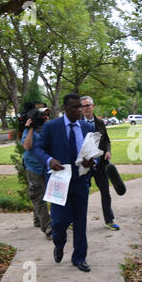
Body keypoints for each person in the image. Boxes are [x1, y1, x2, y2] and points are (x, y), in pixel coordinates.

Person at [34, 93, 95, 272]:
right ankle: (59, 244)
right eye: (75, 107)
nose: (80, 110)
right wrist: (49, 160)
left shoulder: (86, 127)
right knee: (60, 221)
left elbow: (92, 153)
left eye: (81, 107)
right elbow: (38, 149)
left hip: (80, 181)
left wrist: (92, 162)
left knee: (80, 222)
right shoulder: (52, 127)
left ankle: (79, 258)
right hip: (59, 182)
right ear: (65, 108)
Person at [80, 96, 119, 231]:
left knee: (105, 193)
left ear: (93, 106)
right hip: (83, 165)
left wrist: (108, 151)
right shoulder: (77, 123)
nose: (85, 108)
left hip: (100, 164)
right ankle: (75, 221)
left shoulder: (100, 123)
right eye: (83, 106)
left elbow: (107, 140)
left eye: (88, 105)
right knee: (81, 194)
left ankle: (109, 220)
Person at [21, 106, 52, 240]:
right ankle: (48, 228)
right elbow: (27, 146)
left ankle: (37, 220)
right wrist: (30, 128)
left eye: (48, 115)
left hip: (46, 166)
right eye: (43, 115)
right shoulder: (30, 130)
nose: (46, 118)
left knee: (42, 194)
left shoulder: (49, 128)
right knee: (38, 195)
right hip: (33, 166)